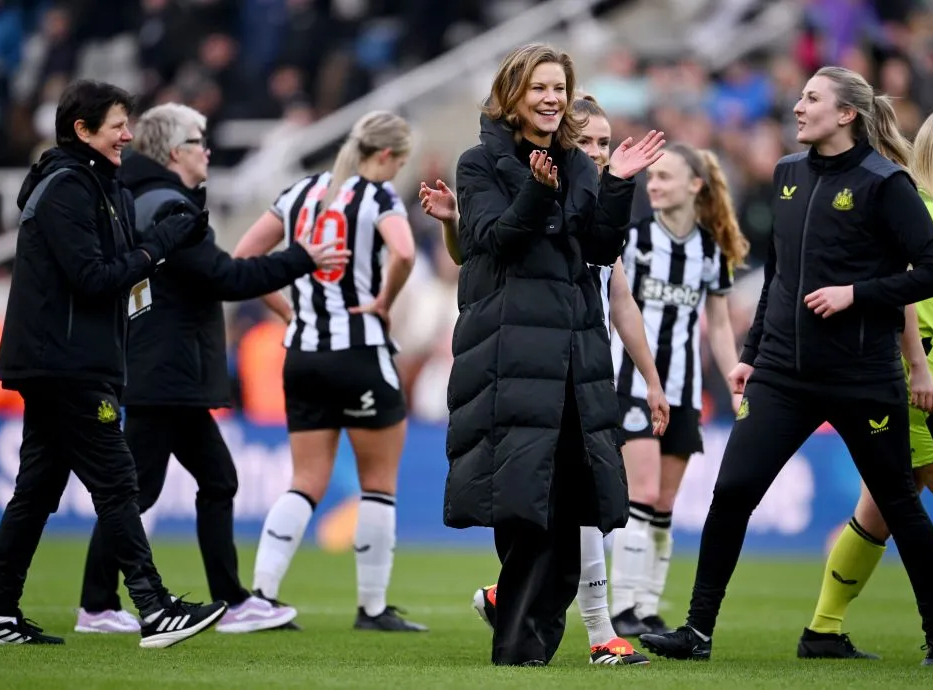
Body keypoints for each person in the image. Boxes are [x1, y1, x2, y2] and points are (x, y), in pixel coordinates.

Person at [638, 65, 933, 666]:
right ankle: (697, 632)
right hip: (784, 375)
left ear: (846, 115)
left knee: (898, 504)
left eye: (812, 98)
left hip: (863, 377)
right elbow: (779, 282)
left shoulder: (886, 182)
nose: (798, 106)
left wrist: (856, 294)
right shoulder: (787, 176)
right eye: (801, 96)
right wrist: (751, 356)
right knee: (732, 490)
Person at [75, 103, 347, 635]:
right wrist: (302, 257)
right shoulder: (170, 207)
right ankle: (101, 604)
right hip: (166, 372)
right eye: (200, 141)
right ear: (177, 153)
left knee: (208, 480)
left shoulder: (141, 200)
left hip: (161, 368)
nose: (208, 151)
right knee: (141, 491)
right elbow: (226, 277)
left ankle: (221, 600)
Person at [420, 93, 668, 665]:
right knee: (562, 505)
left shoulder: (595, 199)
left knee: (583, 503)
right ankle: (599, 632)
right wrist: (458, 222)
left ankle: (514, 601)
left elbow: (619, 296)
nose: (597, 152)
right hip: (538, 362)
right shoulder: (525, 179)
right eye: (588, 142)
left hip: (586, 364)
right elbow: (483, 252)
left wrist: (651, 378)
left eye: (605, 143)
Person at [0, 80, 227, 648]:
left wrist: (159, 243)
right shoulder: (69, 188)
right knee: (118, 482)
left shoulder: (99, 186)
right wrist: (157, 248)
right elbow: (94, 278)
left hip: (69, 359)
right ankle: (153, 608)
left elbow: (118, 272)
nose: (129, 134)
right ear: (82, 129)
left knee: (37, 491)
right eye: (119, 124)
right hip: (67, 362)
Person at [800, 97, 933, 663]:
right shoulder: (917, 209)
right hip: (925, 387)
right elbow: (901, 296)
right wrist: (918, 370)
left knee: (878, 513)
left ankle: (822, 631)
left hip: (919, 382)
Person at [232, 110, 424, 632]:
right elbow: (404, 251)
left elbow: (244, 259)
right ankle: (372, 607)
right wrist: (384, 300)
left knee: (305, 481)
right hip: (360, 351)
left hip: (303, 353)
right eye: (400, 163)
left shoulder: (299, 193)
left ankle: (264, 595)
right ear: (385, 156)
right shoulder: (377, 196)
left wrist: (291, 313)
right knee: (379, 483)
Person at [608, 143, 749, 637]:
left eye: (665, 176)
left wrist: (735, 378)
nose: (654, 184)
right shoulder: (635, 238)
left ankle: (645, 606)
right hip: (631, 383)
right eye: (652, 177)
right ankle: (622, 604)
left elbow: (719, 326)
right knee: (642, 493)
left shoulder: (711, 250)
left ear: (695, 185)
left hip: (685, 390)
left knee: (664, 506)